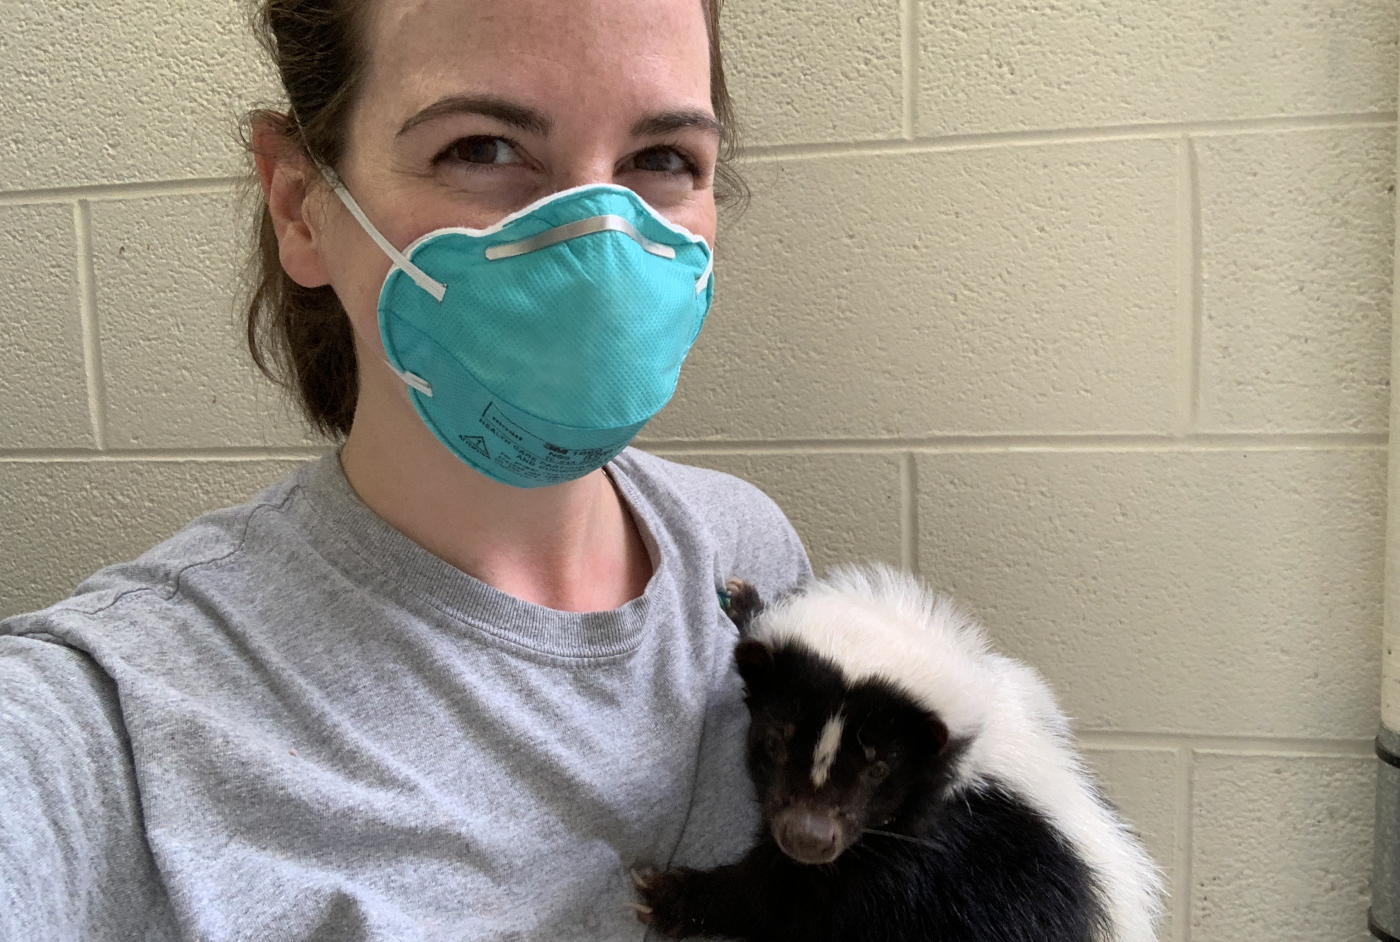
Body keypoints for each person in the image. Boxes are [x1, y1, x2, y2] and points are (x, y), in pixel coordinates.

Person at [0, 0, 811, 938]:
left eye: (662, 160)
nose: (599, 251)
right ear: (301, 206)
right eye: (482, 148)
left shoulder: (745, 554)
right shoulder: (116, 726)